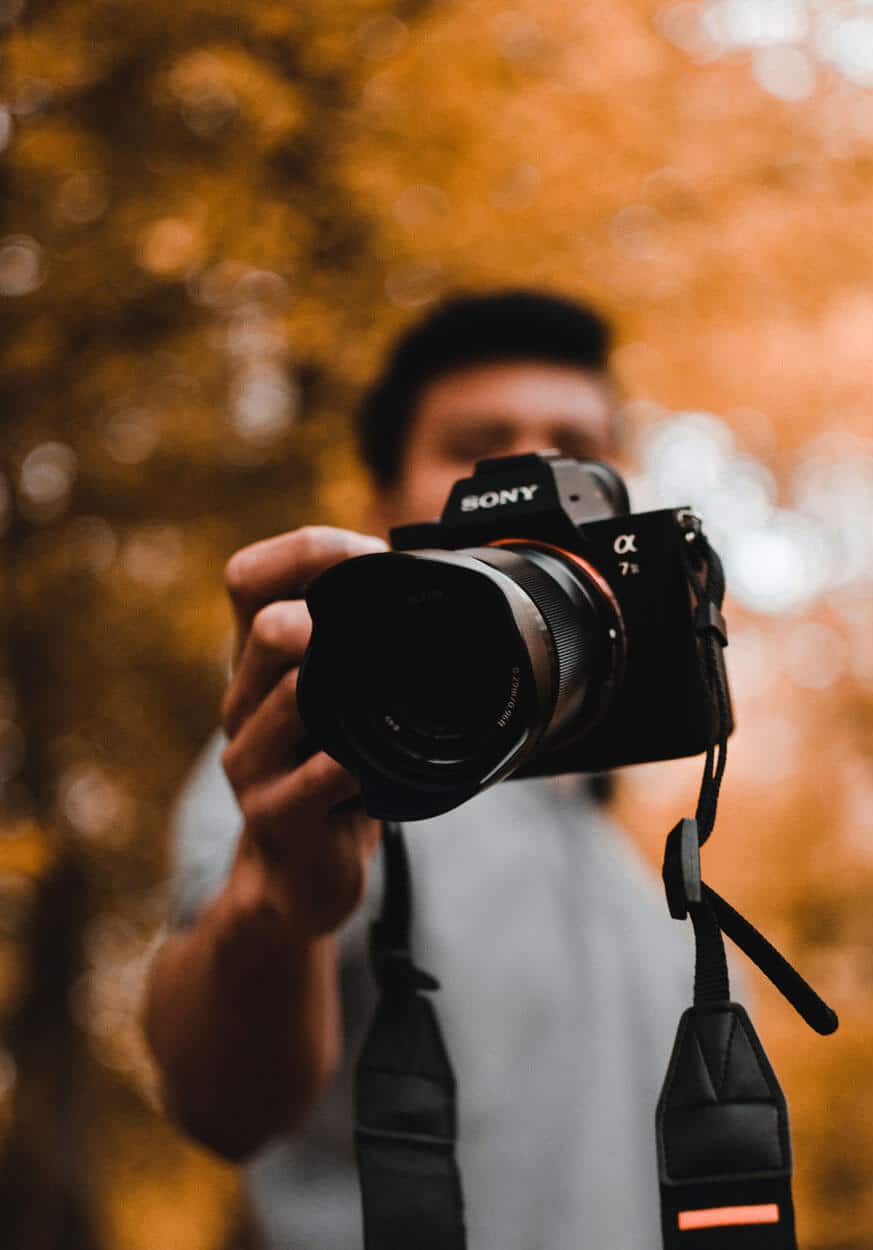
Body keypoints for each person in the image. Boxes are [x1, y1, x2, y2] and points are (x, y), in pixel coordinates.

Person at [143, 290, 704, 1250]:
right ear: (382, 510)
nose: (530, 477)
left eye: (576, 445)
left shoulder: (632, 851)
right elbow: (219, 1108)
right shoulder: (316, 761)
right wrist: (270, 909)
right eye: (476, 445)